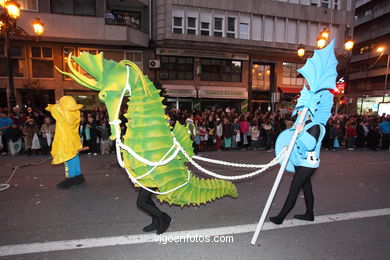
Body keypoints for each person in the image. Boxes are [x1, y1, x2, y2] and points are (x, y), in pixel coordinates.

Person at [270, 111, 324, 225]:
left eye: (300, 110)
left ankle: (280, 217)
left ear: (308, 111)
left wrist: (301, 132)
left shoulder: (315, 125)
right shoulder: (303, 124)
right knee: (307, 189)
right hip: (301, 163)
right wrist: (289, 147)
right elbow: (300, 145)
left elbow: (311, 145)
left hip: (307, 165)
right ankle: (309, 214)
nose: (298, 112)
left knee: (294, 189)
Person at [46, 96, 86, 189]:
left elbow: (51, 108)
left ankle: (71, 180)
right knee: (74, 158)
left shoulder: (62, 113)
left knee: (68, 160)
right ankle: (78, 177)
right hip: (73, 140)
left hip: (65, 140)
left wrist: (57, 103)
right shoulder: (76, 112)